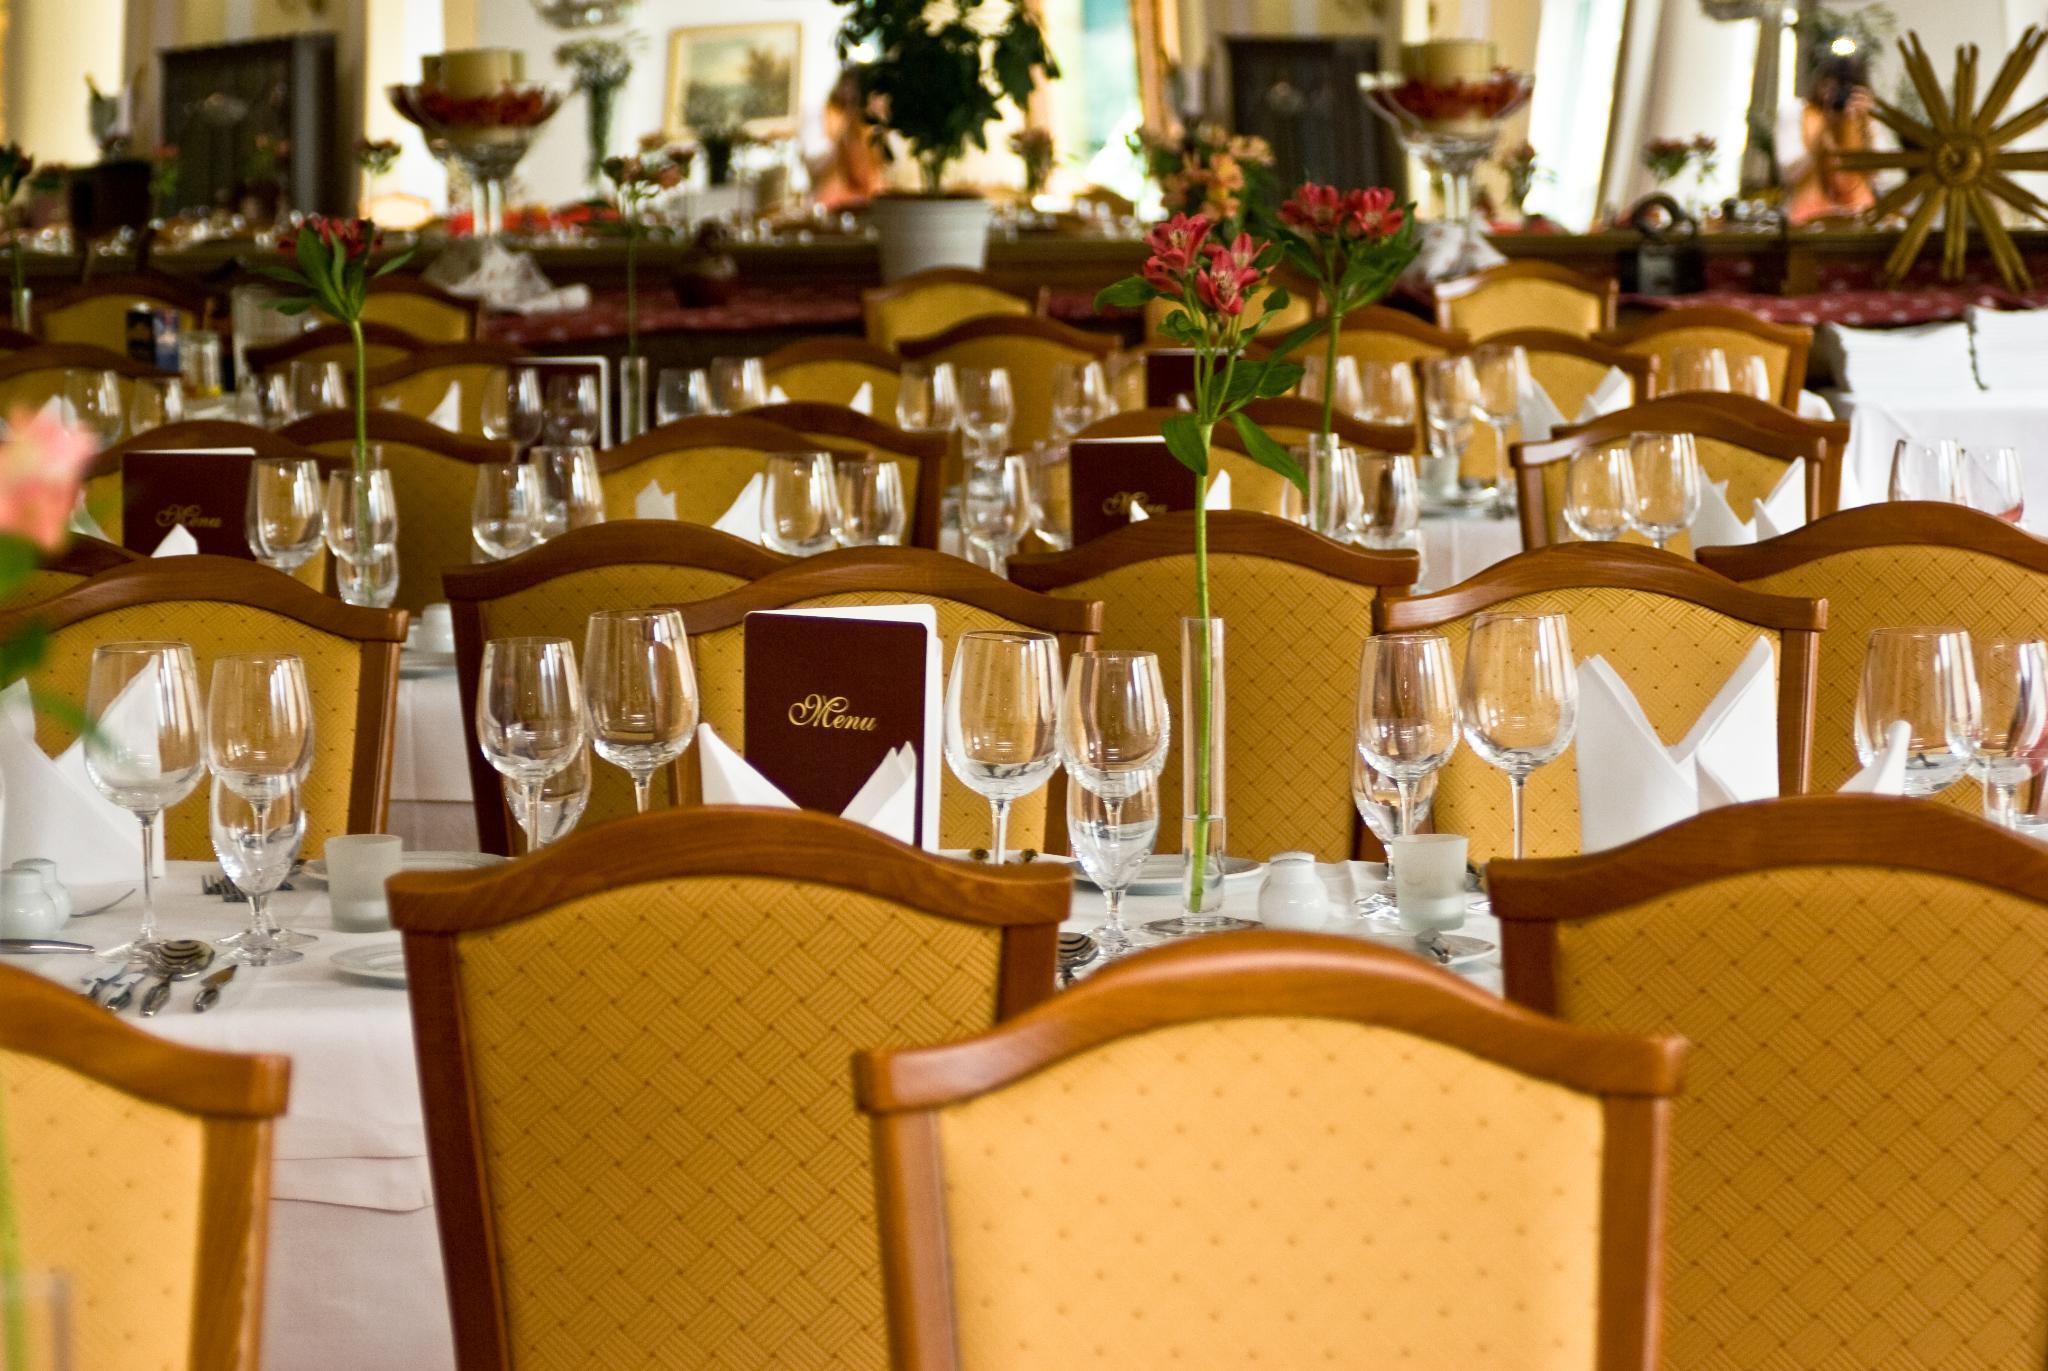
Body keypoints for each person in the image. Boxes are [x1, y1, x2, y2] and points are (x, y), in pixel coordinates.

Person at [1781, 54, 1879, 225]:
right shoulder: (1798, 112)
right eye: (1830, 84)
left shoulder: (1864, 116)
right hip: (1808, 215)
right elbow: (1790, 173)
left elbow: (1882, 175)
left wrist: (1866, 125)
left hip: (1859, 213)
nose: (1836, 93)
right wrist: (1825, 129)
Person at [811, 69, 886, 211]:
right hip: (839, 194)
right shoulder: (825, 117)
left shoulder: (868, 127)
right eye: (847, 86)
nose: (849, 92)